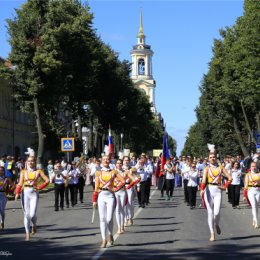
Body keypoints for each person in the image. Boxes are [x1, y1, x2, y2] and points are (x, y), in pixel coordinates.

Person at [92, 155, 125, 248]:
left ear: (110, 161)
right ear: (102, 161)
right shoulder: (98, 172)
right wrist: (94, 200)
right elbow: (96, 187)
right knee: (102, 219)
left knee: (109, 218)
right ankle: (103, 239)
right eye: (104, 159)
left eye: (107, 159)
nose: (106, 160)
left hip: (110, 196)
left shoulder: (114, 171)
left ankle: (110, 234)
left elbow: (122, 181)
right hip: (101, 196)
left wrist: (116, 188)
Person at [15, 152, 49, 241]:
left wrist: (40, 187)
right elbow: (20, 183)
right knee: (26, 215)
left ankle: (34, 224)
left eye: (32, 161)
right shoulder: (23, 172)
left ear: (35, 162)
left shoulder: (39, 171)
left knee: (32, 214)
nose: (30, 162)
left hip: (34, 193)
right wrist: (17, 193)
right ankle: (27, 234)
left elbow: (47, 180)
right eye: (29, 161)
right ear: (26, 162)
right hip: (25, 193)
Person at [200, 150, 232, 241]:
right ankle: (212, 233)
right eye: (210, 157)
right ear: (208, 159)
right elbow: (203, 180)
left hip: (218, 191)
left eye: (214, 157)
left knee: (217, 212)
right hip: (209, 190)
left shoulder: (221, 168)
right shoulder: (206, 168)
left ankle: (217, 224)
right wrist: (202, 190)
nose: (212, 158)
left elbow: (230, 178)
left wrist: (225, 186)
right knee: (210, 212)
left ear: (216, 158)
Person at [243, 161, 260, 228]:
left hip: (258, 191)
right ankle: (256, 222)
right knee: (253, 205)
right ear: (250, 167)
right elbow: (246, 185)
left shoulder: (259, 174)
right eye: (252, 166)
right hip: (250, 191)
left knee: (256, 206)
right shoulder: (248, 175)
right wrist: (244, 195)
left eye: (255, 166)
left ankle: (254, 219)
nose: (254, 167)